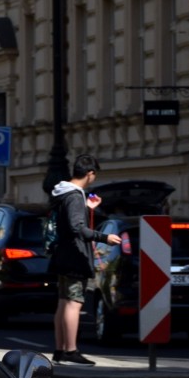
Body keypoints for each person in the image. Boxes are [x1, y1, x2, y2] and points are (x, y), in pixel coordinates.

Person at [48, 154, 122, 366]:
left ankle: (60, 349)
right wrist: (104, 237)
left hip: (63, 254)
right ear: (90, 174)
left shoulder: (63, 193)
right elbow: (76, 226)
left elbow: (70, 221)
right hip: (74, 256)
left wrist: (89, 209)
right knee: (74, 302)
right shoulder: (74, 196)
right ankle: (71, 350)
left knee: (63, 301)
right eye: (94, 175)